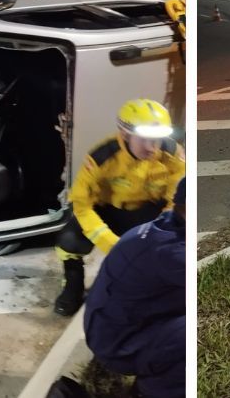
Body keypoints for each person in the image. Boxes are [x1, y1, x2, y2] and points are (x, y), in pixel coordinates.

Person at [53, 98, 184, 316]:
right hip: (109, 213)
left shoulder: (173, 154)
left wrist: (157, 235)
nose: (152, 148)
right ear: (125, 134)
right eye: (144, 140)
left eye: (157, 140)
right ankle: (73, 286)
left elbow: (177, 201)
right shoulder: (102, 157)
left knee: (170, 246)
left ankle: (153, 288)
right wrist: (111, 244)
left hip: (148, 214)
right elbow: (82, 205)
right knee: (69, 241)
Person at [84, 176, 186, 398]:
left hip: (109, 329)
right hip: (118, 345)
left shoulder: (163, 226)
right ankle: (150, 392)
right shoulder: (172, 252)